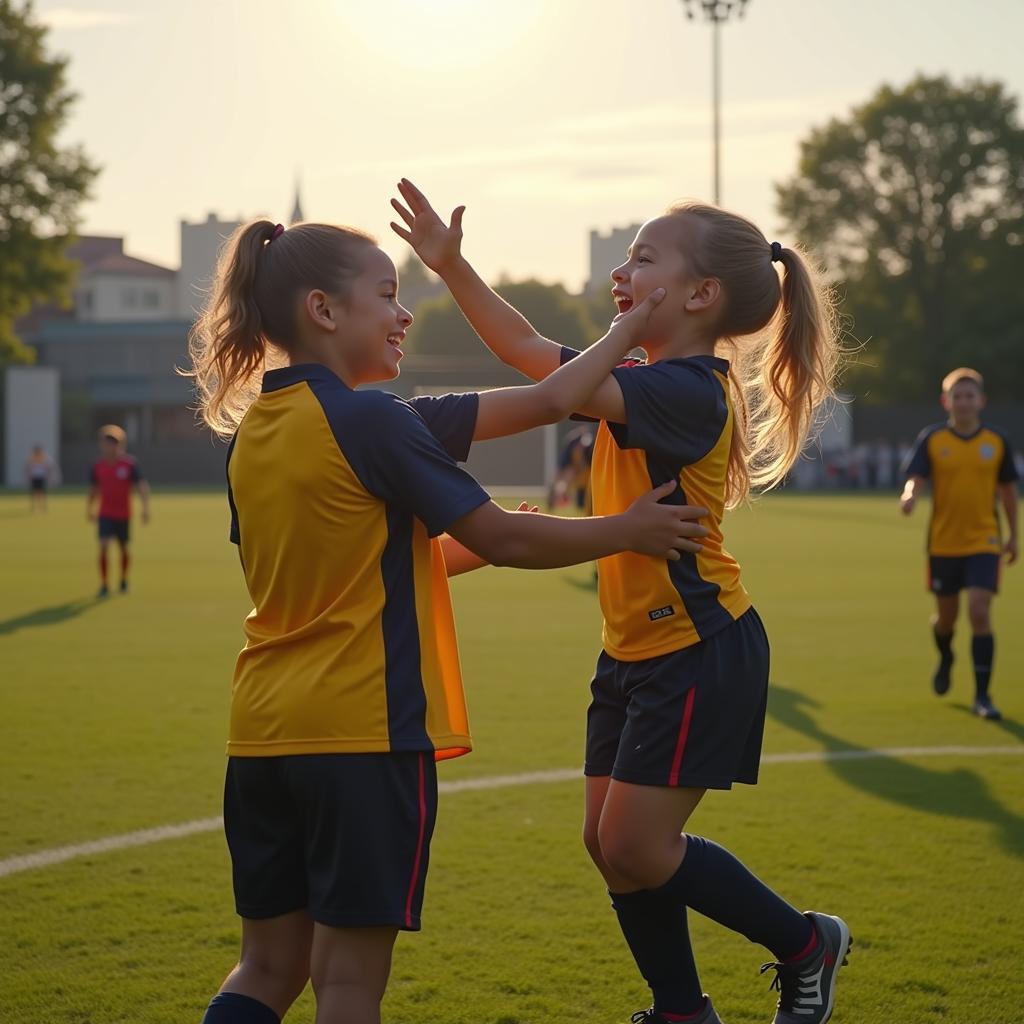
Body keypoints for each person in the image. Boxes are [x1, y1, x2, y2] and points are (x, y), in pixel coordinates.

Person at [186, 218, 710, 1024]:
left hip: (260, 736)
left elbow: (352, 564)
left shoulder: (252, 434)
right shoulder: (376, 421)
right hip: (362, 737)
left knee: (264, 968)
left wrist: (607, 332)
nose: (404, 315)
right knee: (349, 984)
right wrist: (623, 531)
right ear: (324, 311)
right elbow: (498, 533)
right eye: (389, 296)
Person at [390, 179, 849, 1024]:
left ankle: (805, 944)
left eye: (644, 259)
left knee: (635, 843)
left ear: (702, 295)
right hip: (634, 648)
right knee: (609, 847)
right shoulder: (644, 376)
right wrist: (453, 269)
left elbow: (556, 391)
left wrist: (615, 334)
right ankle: (682, 1010)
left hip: (700, 645)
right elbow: (527, 347)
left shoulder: (685, 389)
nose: (621, 271)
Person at [900, 367, 1019, 720]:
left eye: (970, 396)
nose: (964, 402)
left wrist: (1014, 535)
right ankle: (946, 654)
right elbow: (915, 477)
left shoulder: (996, 442)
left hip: (984, 539)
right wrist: (909, 496)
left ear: (981, 401)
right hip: (944, 544)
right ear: (945, 401)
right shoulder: (933, 439)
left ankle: (983, 696)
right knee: (946, 619)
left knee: (980, 611)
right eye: (957, 396)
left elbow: (1008, 492)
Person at [86, 425, 150, 597]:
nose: (110, 447)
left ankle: (123, 580)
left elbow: (141, 486)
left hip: (123, 514)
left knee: (123, 548)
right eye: (107, 443)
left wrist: (145, 508)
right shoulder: (98, 466)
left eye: (114, 443)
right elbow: (94, 489)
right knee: (104, 546)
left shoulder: (129, 464)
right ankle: (104, 584)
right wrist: (89, 508)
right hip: (105, 513)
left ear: (120, 445)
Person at [548, 424, 595, 513]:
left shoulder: (573, 437)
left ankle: (556, 499)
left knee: (563, 483)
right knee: (564, 484)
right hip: (570, 463)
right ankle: (557, 498)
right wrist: (581, 465)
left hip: (567, 462)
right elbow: (579, 450)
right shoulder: (583, 438)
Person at [25, 444, 59, 512]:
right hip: (35, 477)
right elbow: (28, 468)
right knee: (34, 493)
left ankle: (43, 507)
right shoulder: (32, 458)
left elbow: (49, 467)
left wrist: (49, 476)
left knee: (42, 493)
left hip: (42, 477)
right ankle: (33, 507)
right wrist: (28, 476)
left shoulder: (44, 457)